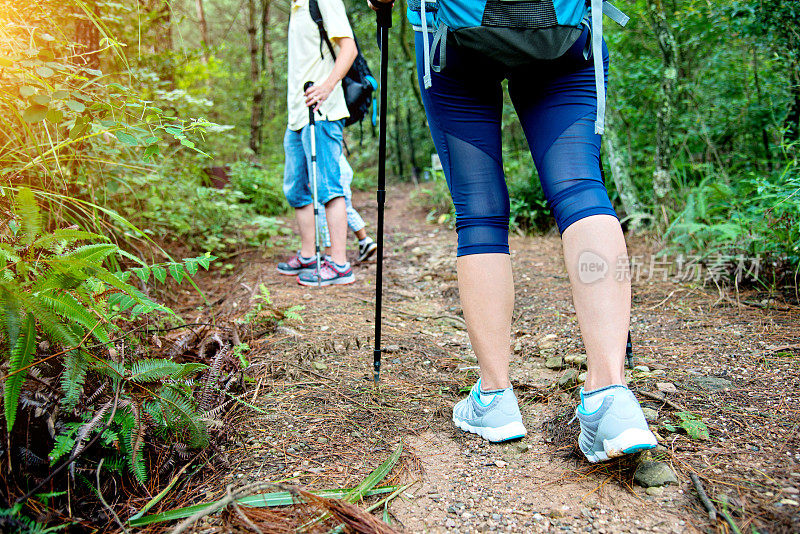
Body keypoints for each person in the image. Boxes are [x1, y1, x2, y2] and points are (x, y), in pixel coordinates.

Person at [370, 0, 657, 462]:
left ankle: (496, 396)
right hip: (564, 32)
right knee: (581, 189)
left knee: (479, 212)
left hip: (453, 40)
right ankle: (611, 393)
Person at [276, 0, 358, 286]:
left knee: (328, 186)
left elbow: (349, 48)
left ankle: (339, 264)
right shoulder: (297, 5)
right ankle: (309, 255)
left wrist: (327, 86)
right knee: (296, 187)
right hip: (297, 115)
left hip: (322, 112)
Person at [316, 154, 378, 263]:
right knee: (344, 207)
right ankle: (365, 242)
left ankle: (330, 254)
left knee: (325, 207)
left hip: (329, 170)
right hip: (342, 167)